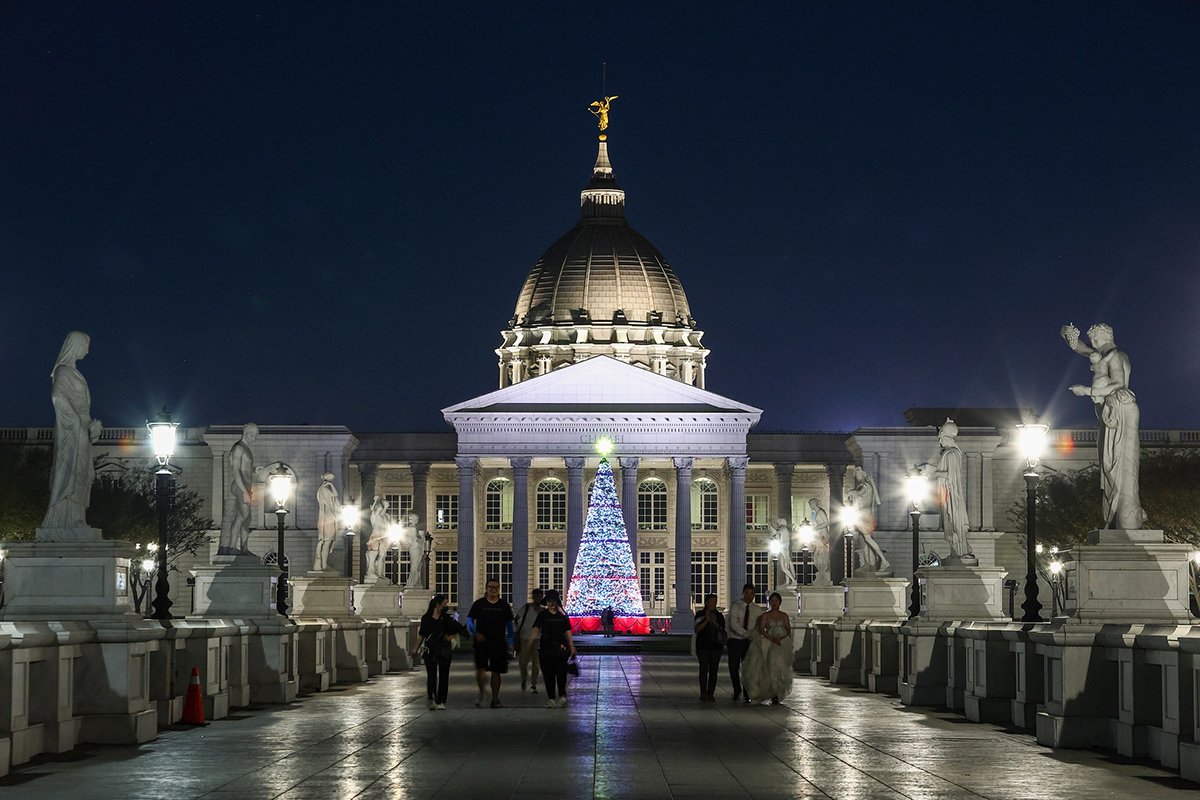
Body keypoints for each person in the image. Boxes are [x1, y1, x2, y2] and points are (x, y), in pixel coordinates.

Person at [1062, 322, 1148, 530]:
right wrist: (1067, 333)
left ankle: (1128, 519)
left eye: (1095, 340)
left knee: (1120, 464)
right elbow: (1080, 348)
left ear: (1105, 337)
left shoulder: (1115, 356)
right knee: (1111, 466)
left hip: (1120, 410)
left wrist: (1087, 391)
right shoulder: (1104, 354)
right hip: (1112, 409)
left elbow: (1118, 384)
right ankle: (1118, 518)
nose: (1093, 344)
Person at [42, 331, 101, 532]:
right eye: (85, 345)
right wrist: (76, 422)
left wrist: (92, 427)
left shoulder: (74, 372)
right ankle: (62, 520)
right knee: (70, 471)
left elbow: (83, 409)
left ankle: (77, 519)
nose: (87, 349)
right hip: (71, 431)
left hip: (80, 431)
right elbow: (58, 398)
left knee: (82, 473)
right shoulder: (63, 371)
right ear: (75, 345)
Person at [412, 594, 466, 710]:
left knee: (444, 675)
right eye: (445, 603)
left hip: (444, 649)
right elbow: (422, 635)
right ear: (438, 604)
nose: (446, 606)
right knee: (431, 675)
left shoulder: (446, 619)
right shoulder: (426, 618)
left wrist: (450, 637)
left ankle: (441, 700)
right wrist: (415, 649)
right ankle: (431, 698)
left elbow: (460, 630)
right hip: (431, 649)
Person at [467, 579, 515, 708]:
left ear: (499, 589)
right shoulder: (479, 604)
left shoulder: (504, 606)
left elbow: (510, 626)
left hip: (498, 642)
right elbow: (469, 620)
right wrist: (475, 633)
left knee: (496, 671)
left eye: (496, 587)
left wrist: (510, 642)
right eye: (490, 587)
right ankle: (482, 693)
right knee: (480, 670)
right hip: (482, 641)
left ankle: (495, 698)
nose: (493, 589)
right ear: (486, 588)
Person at [742, 592, 793, 704]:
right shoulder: (766, 615)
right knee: (769, 667)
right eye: (772, 601)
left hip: (781, 644)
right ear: (769, 602)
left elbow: (788, 629)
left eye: (776, 601)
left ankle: (777, 692)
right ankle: (771, 691)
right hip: (769, 643)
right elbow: (761, 629)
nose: (774, 603)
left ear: (780, 602)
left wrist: (782, 638)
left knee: (780, 668)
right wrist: (771, 638)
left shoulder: (784, 615)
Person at [218, 422, 258, 555]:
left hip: (245, 485)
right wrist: (245, 491)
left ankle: (233, 547)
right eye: (254, 435)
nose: (255, 438)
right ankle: (242, 548)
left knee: (240, 518)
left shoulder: (245, 448)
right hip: (240, 486)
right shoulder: (238, 448)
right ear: (248, 433)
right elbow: (235, 470)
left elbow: (244, 468)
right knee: (247, 518)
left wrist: (254, 470)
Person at [532, 589, 576, 708]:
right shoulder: (543, 615)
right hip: (546, 649)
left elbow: (567, 631)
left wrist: (571, 645)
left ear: (557, 602)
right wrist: (531, 641)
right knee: (548, 674)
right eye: (549, 601)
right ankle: (551, 698)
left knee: (561, 673)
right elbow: (536, 628)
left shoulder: (562, 616)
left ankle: (562, 695)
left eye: (554, 601)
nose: (551, 603)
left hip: (561, 649)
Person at [844, 465, 889, 574]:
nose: (856, 476)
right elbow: (877, 501)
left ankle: (883, 560)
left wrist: (850, 491)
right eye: (855, 474)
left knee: (868, 539)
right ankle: (868, 563)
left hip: (864, 515)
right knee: (865, 540)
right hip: (864, 515)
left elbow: (858, 493)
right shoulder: (868, 485)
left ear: (862, 474)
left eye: (857, 474)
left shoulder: (864, 485)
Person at [726, 583, 763, 704]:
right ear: (743, 593)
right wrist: (746, 633)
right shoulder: (736, 606)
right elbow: (733, 624)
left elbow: (760, 625)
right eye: (747, 593)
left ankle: (747, 692)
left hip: (750, 642)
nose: (749, 596)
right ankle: (737, 688)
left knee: (748, 668)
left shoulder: (757, 609)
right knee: (733, 667)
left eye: (752, 594)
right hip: (735, 640)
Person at [693, 593, 726, 702]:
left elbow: (722, 630)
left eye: (715, 602)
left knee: (713, 670)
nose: (713, 604)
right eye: (711, 601)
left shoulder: (719, 616)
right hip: (702, 646)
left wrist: (715, 622)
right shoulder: (700, 614)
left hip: (716, 646)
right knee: (703, 669)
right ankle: (703, 693)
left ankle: (711, 693)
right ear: (706, 602)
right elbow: (697, 629)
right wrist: (707, 619)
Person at [514, 588, 544, 693]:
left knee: (536, 663)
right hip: (525, 638)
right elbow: (516, 618)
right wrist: (518, 630)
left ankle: (534, 682)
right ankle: (524, 679)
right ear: (533, 597)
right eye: (536, 596)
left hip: (537, 639)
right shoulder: (526, 608)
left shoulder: (542, 611)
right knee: (523, 662)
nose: (537, 599)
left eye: (539, 597)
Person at [313, 472, 339, 572]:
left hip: (329, 516)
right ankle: (323, 565)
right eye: (331, 479)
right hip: (327, 518)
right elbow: (335, 495)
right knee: (327, 542)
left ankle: (324, 564)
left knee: (328, 542)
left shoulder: (324, 488)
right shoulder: (324, 489)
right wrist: (331, 485)